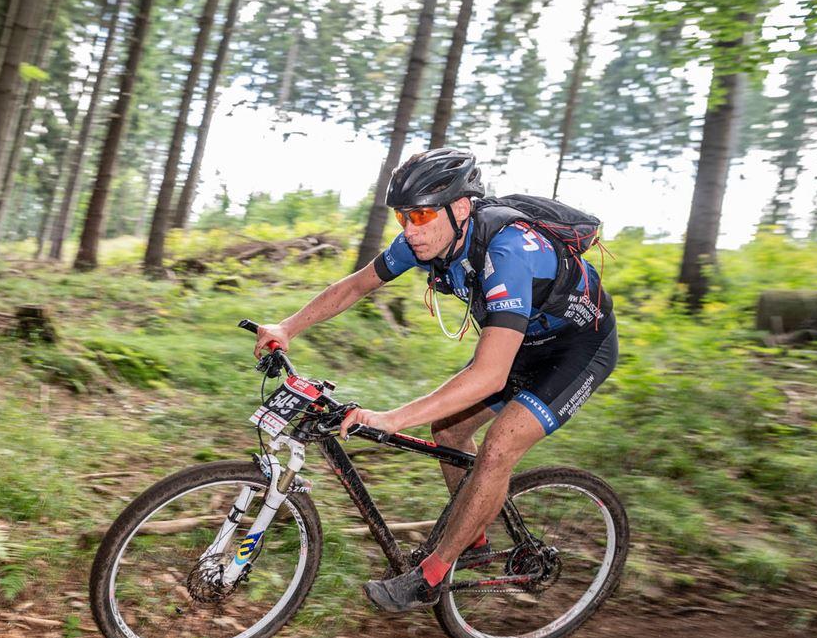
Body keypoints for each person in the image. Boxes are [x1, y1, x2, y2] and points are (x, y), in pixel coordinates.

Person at [252, 148, 618, 613]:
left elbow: (489, 376)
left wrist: (391, 418)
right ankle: (474, 542)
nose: (411, 229)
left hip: (578, 350)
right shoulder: (424, 239)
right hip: (524, 343)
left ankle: (432, 575)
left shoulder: (508, 251)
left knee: (499, 446)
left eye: (422, 215)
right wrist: (287, 326)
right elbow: (356, 285)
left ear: (460, 207)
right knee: (448, 430)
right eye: (403, 216)